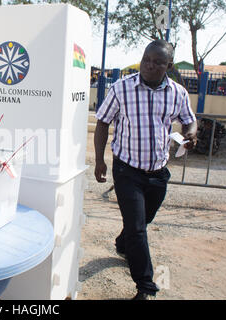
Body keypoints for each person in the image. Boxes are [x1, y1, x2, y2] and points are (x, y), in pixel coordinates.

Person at [93, 40, 198, 300]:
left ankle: (122, 243)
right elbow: (103, 124)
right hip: (127, 170)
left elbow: (189, 121)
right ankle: (146, 287)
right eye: (146, 60)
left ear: (168, 66)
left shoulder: (177, 93)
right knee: (138, 229)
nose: (149, 66)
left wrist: (191, 135)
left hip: (158, 172)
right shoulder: (121, 89)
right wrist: (99, 160)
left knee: (141, 222)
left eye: (158, 62)